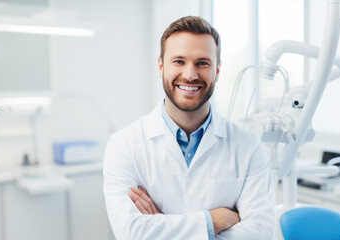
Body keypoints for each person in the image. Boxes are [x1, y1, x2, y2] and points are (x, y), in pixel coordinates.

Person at [103, 16, 276, 240]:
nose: (190, 75)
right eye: (179, 61)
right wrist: (214, 221)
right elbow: (131, 232)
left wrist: (160, 225)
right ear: (161, 66)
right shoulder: (124, 145)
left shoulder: (248, 146)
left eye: (202, 63)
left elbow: (261, 233)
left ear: (218, 70)